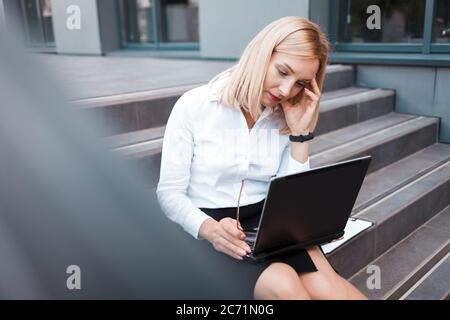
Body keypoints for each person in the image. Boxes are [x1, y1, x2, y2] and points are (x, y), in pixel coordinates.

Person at [157, 16, 367, 300]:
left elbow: (293, 197)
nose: (285, 90)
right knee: (284, 286)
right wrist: (208, 228)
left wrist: (300, 134)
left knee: (329, 288)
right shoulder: (195, 106)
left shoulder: (283, 116)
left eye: (299, 83)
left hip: (271, 225)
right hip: (209, 227)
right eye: (282, 71)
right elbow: (169, 194)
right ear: (262, 53)